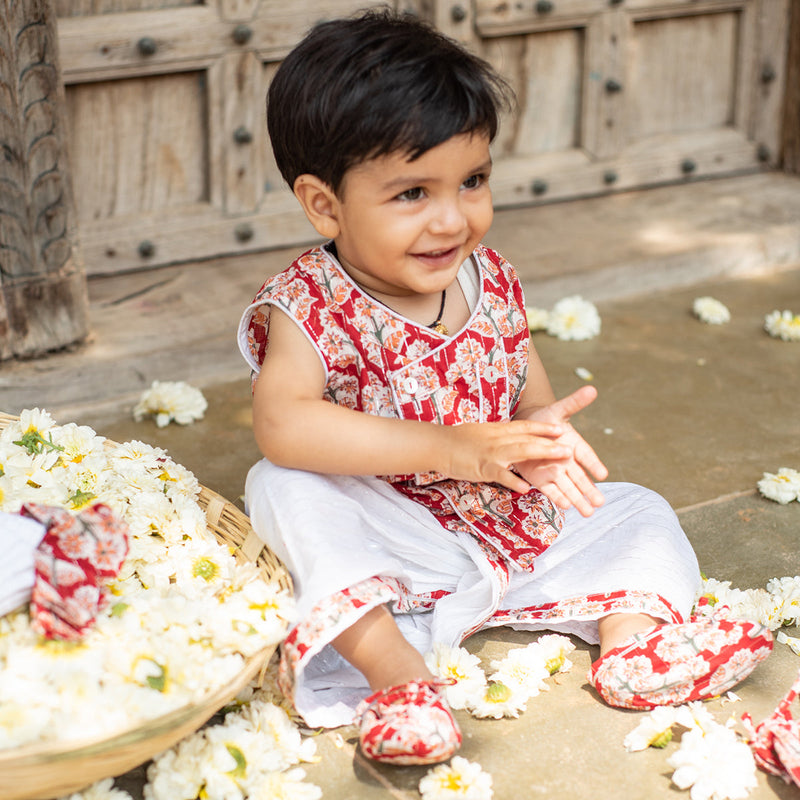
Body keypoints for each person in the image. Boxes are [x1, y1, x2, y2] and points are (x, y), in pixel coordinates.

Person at [238, 9, 772, 765]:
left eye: (474, 181)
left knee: (639, 513)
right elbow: (283, 424)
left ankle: (631, 650)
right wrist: (447, 447)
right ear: (325, 204)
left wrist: (541, 437)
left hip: (507, 525)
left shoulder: (489, 279)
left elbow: (522, 381)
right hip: (395, 528)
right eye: (412, 194)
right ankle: (400, 680)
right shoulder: (310, 304)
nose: (453, 219)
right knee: (282, 488)